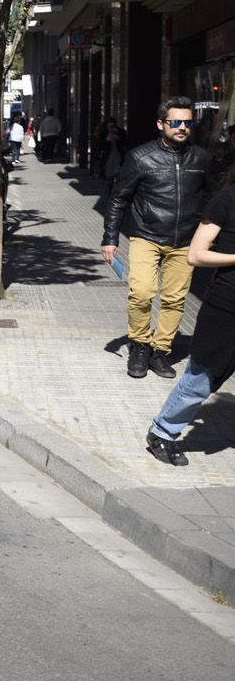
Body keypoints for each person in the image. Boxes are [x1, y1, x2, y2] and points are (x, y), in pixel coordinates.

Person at [101, 96, 211, 379]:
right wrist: (110, 238)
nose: (182, 127)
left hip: (185, 240)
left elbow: (210, 198)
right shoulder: (140, 157)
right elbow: (118, 199)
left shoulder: (201, 158)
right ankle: (139, 346)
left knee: (175, 299)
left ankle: (160, 351)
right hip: (146, 236)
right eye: (175, 122)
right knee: (141, 293)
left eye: (188, 122)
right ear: (161, 124)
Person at [144, 172, 235, 466]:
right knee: (202, 377)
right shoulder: (227, 200)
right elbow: (196, 255)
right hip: (226, 307)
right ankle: (163, 431)